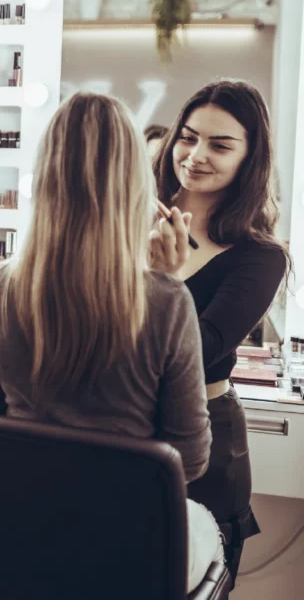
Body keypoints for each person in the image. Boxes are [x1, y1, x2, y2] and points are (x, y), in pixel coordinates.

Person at [0, 92, 223, 593]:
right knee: (209, 527)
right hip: (125, 544)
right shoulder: (166, 301)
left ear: (45, 177)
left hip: (21, 534)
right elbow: (188, 462)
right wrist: (167, 283)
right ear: (133, 186)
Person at [153, 80, 289, 584]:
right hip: (120, 417)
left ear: (251, 157)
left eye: (220, 144)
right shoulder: (128, 222)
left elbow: (201, 349)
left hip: (207, 434)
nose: (195, 155)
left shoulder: (260, 256)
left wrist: (162, 279)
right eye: (188, 137)